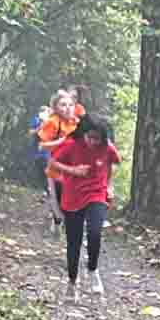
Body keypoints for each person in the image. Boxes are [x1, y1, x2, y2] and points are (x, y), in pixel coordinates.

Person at [46, 113, 120, 307]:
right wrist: (73, 171)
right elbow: (53, 163)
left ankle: (93, 270)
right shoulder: (71, 145)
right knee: (74, 241)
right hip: (72, 196)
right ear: (84, 133)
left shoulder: (106, 147)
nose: (94, 142)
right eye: (91, 137)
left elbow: (112, 164)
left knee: (95, 231)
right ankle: (72, 282)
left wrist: (109, 185)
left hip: (97, 193)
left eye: (98, 138)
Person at [33, 89, 81, 229]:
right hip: (56, 166)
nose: (67, 108)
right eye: (63, 105)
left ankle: (68, 223)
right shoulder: (53, 122)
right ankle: (57, 220)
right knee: (57, 197)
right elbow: (42, 146)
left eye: (70, 105)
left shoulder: (77, 123)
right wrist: (61, 142)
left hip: (75, 167)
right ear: (55, 107)